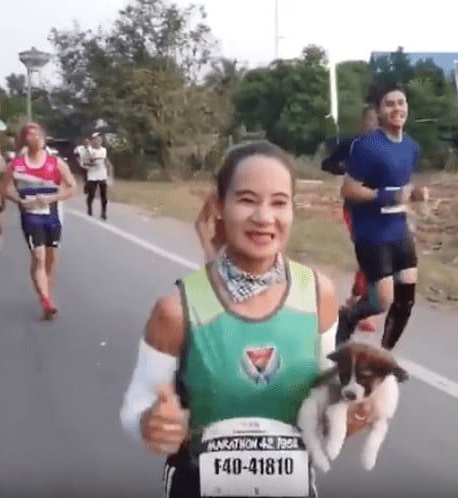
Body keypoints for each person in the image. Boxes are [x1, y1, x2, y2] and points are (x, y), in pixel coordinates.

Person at [119, 141, 378, 498]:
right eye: (246, 199)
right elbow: (136, 409)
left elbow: (322, 400)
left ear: (291, 210)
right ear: (219, 206)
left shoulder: (319, 294)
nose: (264, 217)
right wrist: (154, 424)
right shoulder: (176, 310)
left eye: (278, 202)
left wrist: (350, 416)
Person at [337, 83, 426, 350]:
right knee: (381, 302)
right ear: (379, 111)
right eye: (390, 104)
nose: (397, 108)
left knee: (406, 298)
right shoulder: (368, 146)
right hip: (372, 233)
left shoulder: (411, 147)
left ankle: (386, 354)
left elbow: (402, 186)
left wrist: (416, 194)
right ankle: (348, 317)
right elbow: (348, 189)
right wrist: (387, 196)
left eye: (401, 102)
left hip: (398, 229)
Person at [0, 122, 77, 320]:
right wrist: (19, 200)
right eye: (31, 135)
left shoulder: (55, 163)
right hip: (31, 216)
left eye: (40, 135)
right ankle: (46, 301)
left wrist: (51, 198)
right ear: (25, 140)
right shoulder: (16, 165)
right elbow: (3, 188)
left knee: (51, 259)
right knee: (39, 257)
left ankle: (46, 291)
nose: (37, 138)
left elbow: (72, 187)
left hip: (53, 213)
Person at [321, 105, 379, 333]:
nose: (376, 126)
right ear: (363, 123)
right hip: (355, 209)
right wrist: (346, 167)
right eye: (372, 121)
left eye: (380, 121)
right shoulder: (352, 144)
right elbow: (327, 164)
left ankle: (356, 299)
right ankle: (361, 306)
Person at [82, 132, 109, 220]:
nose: (98, 142)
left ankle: (103, 212)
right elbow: (84, 162)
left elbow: (105, 161)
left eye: (100, 140)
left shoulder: (104, 150)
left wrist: (105, 168)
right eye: (96, 140)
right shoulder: (89, 150)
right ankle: (89, 207)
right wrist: (92, 162)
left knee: (103, 195)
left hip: (102, 174)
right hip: (92, 174)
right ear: (93, 141)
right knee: (92, 194)